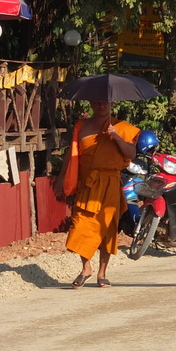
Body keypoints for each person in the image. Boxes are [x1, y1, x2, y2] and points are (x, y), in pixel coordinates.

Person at [58, 99, 140, 287]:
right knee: (80, 224)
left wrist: (117, 137)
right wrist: (63, 178)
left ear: (111, 103)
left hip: (110, 183)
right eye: (97, 102)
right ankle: (86, 267)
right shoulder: (82, 126)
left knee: (107, 229)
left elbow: (131, 154)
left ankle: (102, 273)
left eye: (105, 102)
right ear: (91, 104)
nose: (100, 105)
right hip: (88, 184)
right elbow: (72, 155)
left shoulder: (121, 127)